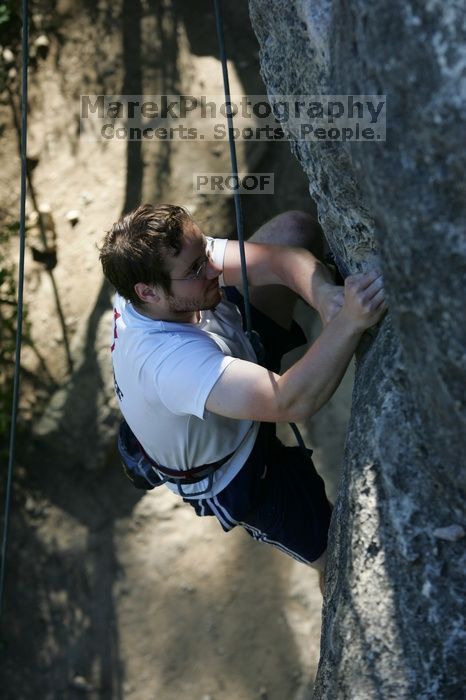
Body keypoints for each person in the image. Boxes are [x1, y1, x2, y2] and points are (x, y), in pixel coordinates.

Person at [99, 204, 386, 574]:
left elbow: (278, 261)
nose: (214, 268)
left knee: (293, 230)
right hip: (236, 468)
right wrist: (348, 322)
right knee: (337, 561)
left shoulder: (160, 274)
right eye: (197, 269)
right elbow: (291, 401)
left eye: (205, 252)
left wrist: (325, 297)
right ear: (149, 293)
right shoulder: (168, 363)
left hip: (227, 353)